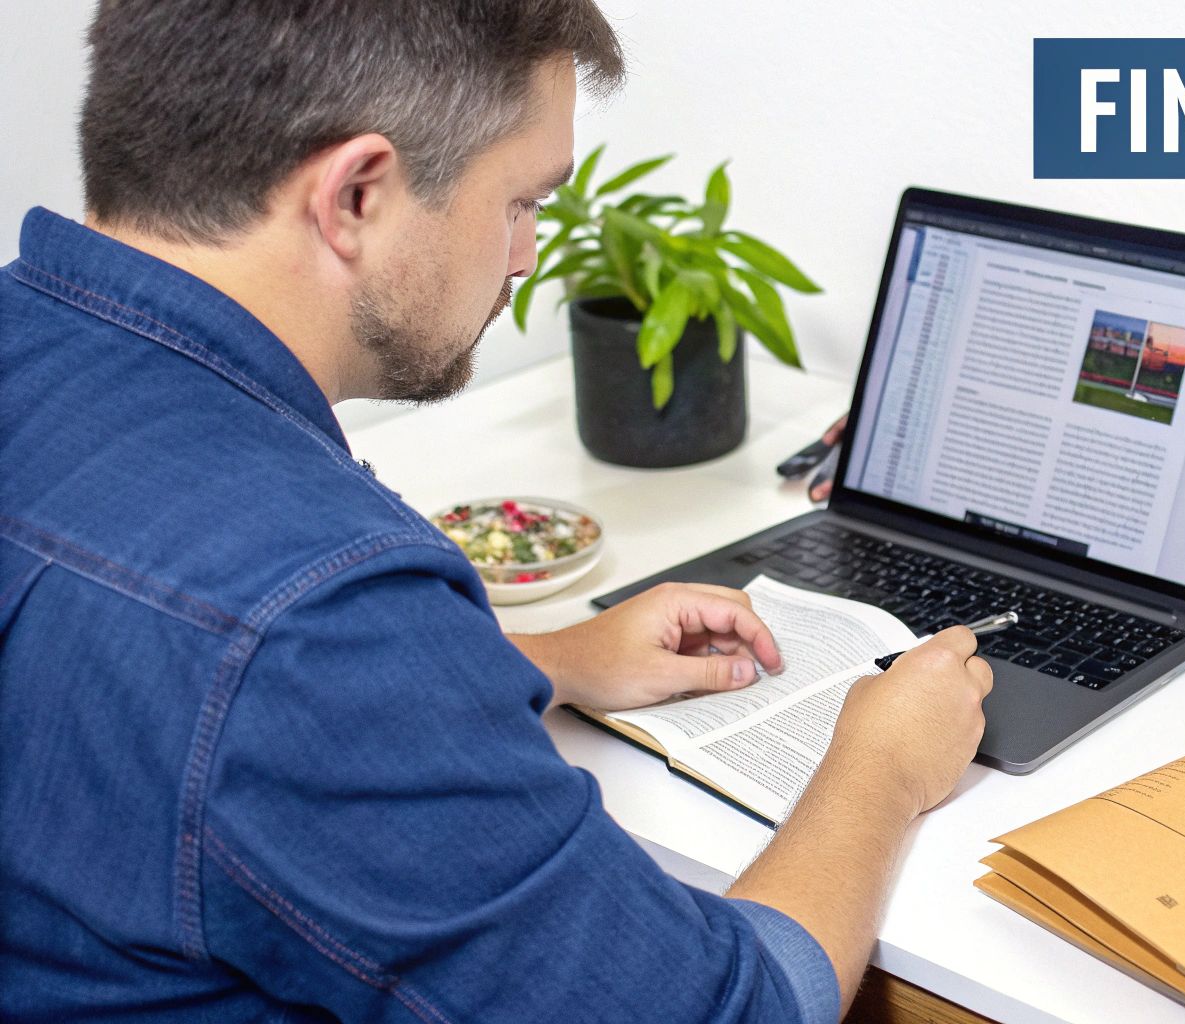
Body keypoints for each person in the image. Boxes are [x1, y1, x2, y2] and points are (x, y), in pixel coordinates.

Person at [0, 3, 991, 1022]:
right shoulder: (314, 617)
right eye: (520, 202)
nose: (523, 258)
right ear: (357, 194)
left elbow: (158, 691)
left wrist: (545, 658)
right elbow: (722, 1011)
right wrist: (878, 768)